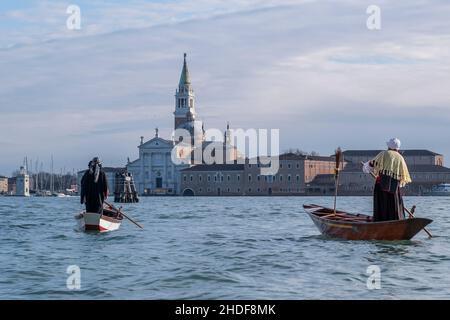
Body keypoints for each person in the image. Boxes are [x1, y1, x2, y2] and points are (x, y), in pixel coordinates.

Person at [363, 138, 412, 221]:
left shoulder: (384, 154)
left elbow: (371, 165)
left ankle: (380, 220)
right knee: (393, 204)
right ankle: (396, 220)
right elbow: (402, 174)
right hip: (395, 187)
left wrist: (365, 165)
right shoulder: (400, 158)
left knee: (381, 204)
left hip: (381, 185)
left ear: (389, 146)